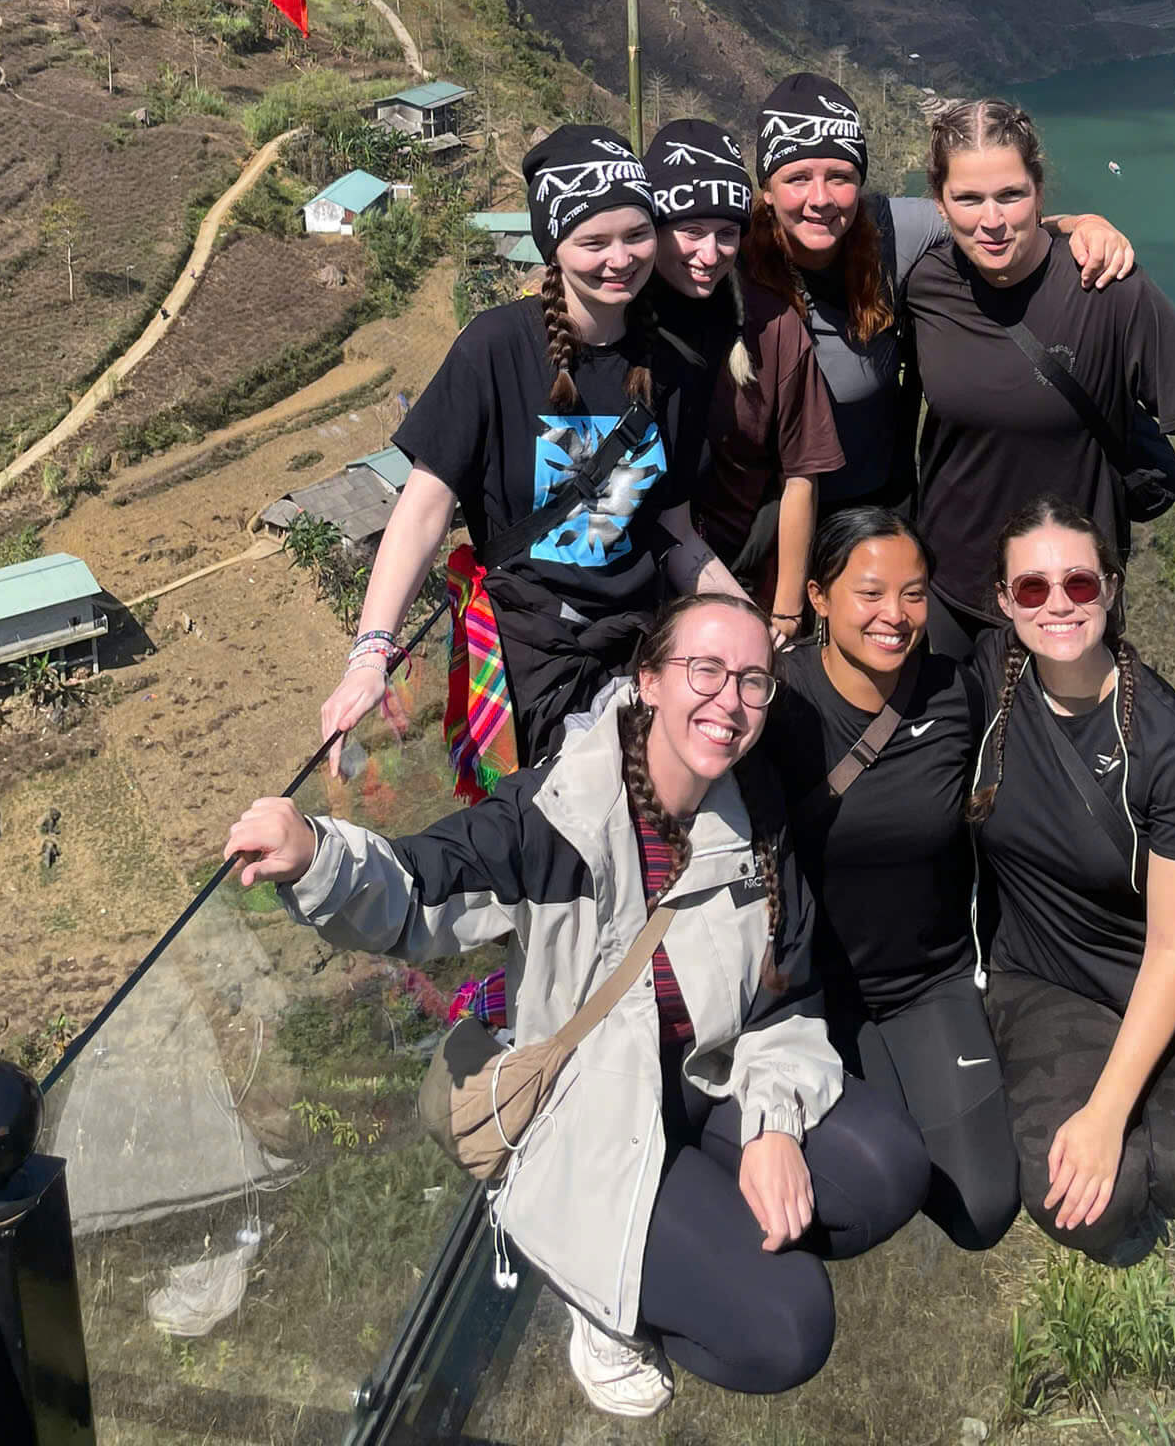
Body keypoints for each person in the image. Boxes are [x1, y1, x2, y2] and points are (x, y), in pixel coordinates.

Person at [229, 590, 931, 1413]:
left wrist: (773, 1124)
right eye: (705, 670)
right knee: (789, 1329)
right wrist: (316, 854)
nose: (730, 701)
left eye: (752, 681)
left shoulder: (754, 805)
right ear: (650, 681)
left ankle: (692, 1217)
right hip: (592, 1108)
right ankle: (600, 1299)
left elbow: (786, 991)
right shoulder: (555, 817)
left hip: (710, 1077)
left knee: (888, 1173)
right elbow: (418, 888)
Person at [319, 127, 740, 764]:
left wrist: (749, 625)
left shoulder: (674, 367)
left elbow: (676, 534)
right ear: (554, 247)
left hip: (640, 652)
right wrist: (370, 654)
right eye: (593, 242)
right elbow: (424, 509)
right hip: (526, 665)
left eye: (636, 235)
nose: (620, 259)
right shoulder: (495, 348)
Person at [903, 96, 1175, 655]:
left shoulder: (1105, 286)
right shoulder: (925, 284)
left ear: (1039, 192)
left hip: (1067, 602)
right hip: (946, 589)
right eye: (968, 199)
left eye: (1011, 195)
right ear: (939, 202)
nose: (992, 220)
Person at [969, 495, 1175, 1263]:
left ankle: (1153, 1148)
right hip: (1045, 977)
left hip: (1171, 971)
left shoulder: (1169, 746)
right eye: (1032, 588)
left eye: (1079, 582)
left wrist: (1106, 1113)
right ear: (1004, 602)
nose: (1058, 604)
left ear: (1110, 587)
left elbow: (1173, 949)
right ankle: (1136, 1224)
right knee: (1080, 1202)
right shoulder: (988, 685)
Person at [769, 508, 1018, 1250]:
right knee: (869, 1193)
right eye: (870, 593)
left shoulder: (955, 695)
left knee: (983, 1209)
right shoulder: (777, 703)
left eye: (914, 594)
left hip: (928, 982)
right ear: (818, 596)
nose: (896, 615)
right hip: (812, 996)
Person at [742, 71, 1134, 517]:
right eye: (797, 178)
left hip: (872, 517)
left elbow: (994, 224)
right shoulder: (727, 258)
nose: (820, 198)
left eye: (839, 176)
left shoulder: (893, 233)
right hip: (759, 522)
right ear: (767, 190)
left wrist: (1082, 224)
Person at [641, 118, 844, 641]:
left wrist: (786, 612)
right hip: (636, 592)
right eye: (690, 231)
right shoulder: (619, 323)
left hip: (747, 579)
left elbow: (802, 475)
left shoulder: (772, 325)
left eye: (726, 234)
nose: (709, 256)